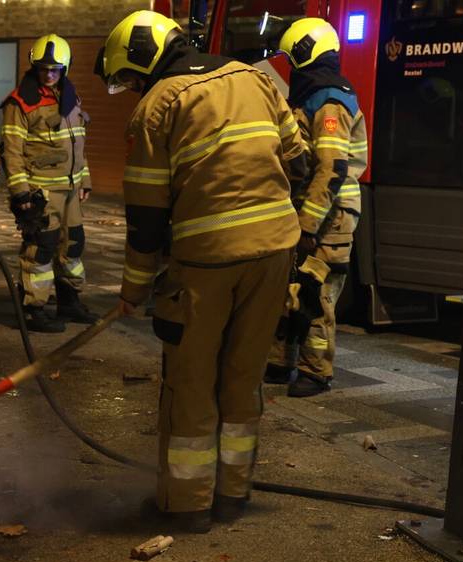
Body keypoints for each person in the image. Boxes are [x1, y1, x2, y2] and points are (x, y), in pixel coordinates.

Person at [97, 10, 312, 533]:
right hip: (273, 251)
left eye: (128, 78)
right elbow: (299, 159)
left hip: (205, 261)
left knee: (191, 383)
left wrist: (134, 288)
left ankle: (188, 504)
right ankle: (233, 495)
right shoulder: (256, 78)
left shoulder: (157, 107)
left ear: (143, 61)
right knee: (243, 376)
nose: (130, 89)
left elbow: (146, 216)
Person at [264, 17, 369, 398]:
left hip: (330, 216)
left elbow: (332, 168)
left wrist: (308, 224)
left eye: (291, 61)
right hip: (310, 211)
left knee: (314, 291)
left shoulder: (330, 100)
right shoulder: (313, 96)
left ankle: (316, 371)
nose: (289, 70)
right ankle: (280, 361)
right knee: (288, 287)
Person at [1, 33, 98, 333]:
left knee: (72, 244)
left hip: (70, 191)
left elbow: (77, 144)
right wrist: (21, 193)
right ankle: (33, 308)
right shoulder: (20, 102)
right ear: (35, 68)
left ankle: (68, 301)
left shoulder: (70, 97)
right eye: (44, 69)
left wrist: (85, 179)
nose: (50, 74)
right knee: (40, 249)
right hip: (41, 191)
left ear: (64, 69)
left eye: (55, 69)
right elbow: (12, 151)